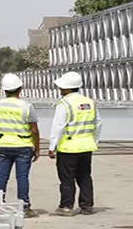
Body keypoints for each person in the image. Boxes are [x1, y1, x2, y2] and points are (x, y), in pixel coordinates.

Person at [48, 71, 102, 216]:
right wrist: (93, 141)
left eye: (61, 88)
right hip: (85, 147)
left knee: (67, 178)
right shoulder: (89, 102)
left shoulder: (64, 104)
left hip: (68, 149)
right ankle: (87, 206)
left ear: (67, 88)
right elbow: (98, 123)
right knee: (84, 177)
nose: (60, 90)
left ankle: (66, 206)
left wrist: (52, 147)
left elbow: (58, 126)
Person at [0, 73, 40, 218]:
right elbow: (34, 130)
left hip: (3, 145)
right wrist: (37, 148)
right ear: (21, 88)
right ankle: (24, 206)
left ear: (4, 90)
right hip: (23, 146)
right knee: (22, 177)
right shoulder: (27, 107)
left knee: (1, 176)